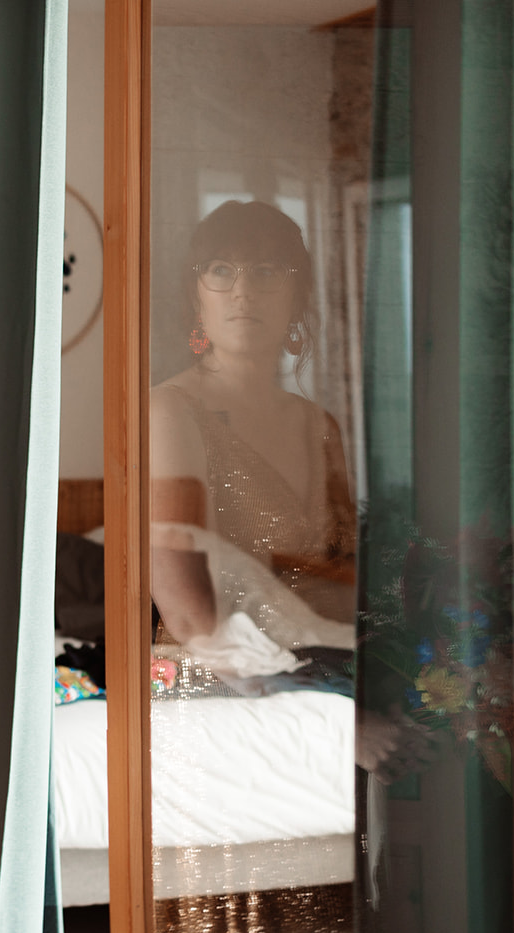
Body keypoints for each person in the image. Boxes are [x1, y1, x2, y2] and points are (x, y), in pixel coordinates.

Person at [149, 199, 356, 660]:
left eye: (266, 271)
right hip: (218, 684)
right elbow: (187, 613)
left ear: (296, 297)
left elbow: (343, 577)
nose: (243, 291)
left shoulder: (318, 425)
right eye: (221, 270)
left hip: (325, 669)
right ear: (196, 296)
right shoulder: (169, 411)